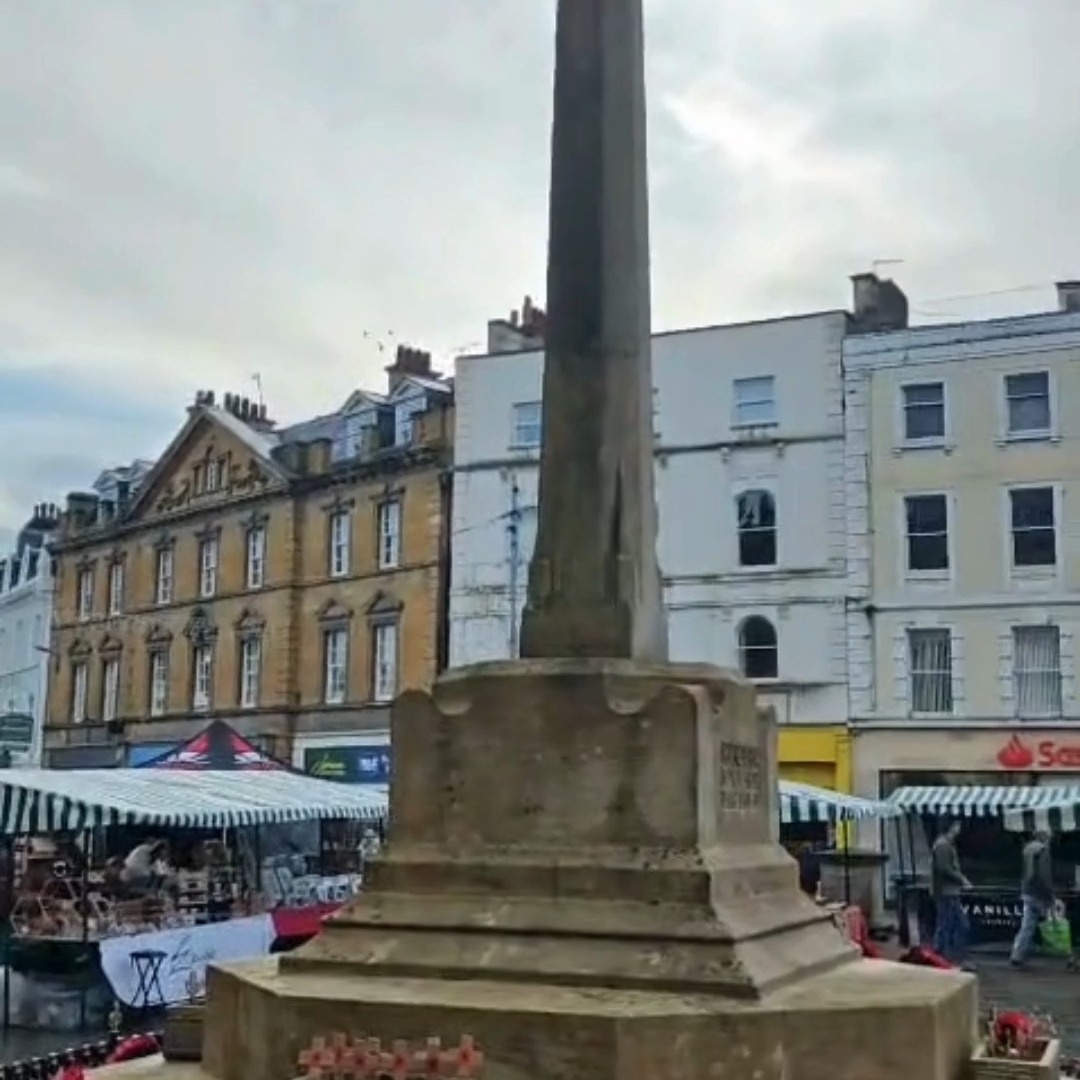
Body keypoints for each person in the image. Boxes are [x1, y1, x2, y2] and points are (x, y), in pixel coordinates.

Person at [1010, 829, 1054, 969]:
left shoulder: (1027, 850)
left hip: (1027, 890)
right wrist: (1049, 895)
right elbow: (1044, 875)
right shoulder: (1043, 850)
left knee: (1027, 925)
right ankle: (1068, 955)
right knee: (1053, 924)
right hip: (1038, 893)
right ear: (1045, 837)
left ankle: (1017, 953)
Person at [930, 819, 971, 966]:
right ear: (951, 827)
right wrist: (962, 879)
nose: (959, 828)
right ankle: (946, 954)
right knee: (954, 924)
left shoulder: (946, 844)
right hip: (946, 891)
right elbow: (944, 868)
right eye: (957, 825)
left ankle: (943, 953)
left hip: (949, 891)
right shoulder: (943, 845)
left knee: (947, 923)